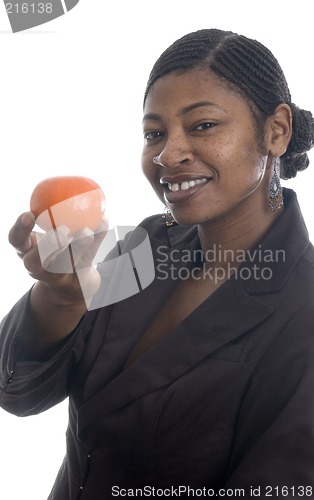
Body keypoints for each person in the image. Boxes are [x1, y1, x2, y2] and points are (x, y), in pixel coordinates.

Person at [1, 28, 314, 499]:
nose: (167, 155)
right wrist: (62, 296)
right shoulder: (149, 243)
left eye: (203, 125)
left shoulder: (304, 312)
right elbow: (19, 394)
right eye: (154, 134)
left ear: (276, 131)